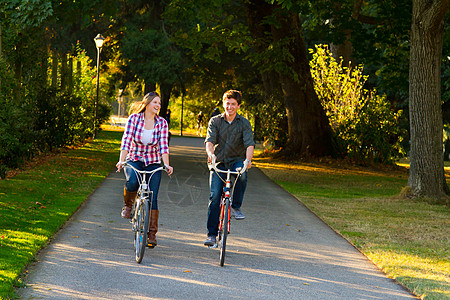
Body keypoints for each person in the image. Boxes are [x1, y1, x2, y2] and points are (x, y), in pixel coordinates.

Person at [116, 92, 174, 248]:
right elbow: (126, 141)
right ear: (147, 103)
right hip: (134, 158)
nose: (158, 105)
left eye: (159, 103)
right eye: (155, 102)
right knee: (133, 181)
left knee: (153, 196)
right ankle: (128, 205)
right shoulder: (134, 119)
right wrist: (122, 160)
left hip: (153, 161)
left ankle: (152, 234)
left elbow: (163, 146)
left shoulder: (162, 123)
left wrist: (166, 164)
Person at [204, 90, 255, 246]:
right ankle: (211, 235)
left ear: (238, 106)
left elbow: (249, 144)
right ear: (223, 103)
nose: (230, 107)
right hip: (219, 161)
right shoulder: (215, 121)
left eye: (233, 104)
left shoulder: (244, 123)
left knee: (243, 174)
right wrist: (211, 154)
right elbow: (210, 141)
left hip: (237, 160)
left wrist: (248, 160)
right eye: (228, 103)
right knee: (214, 197)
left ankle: (235, 207)